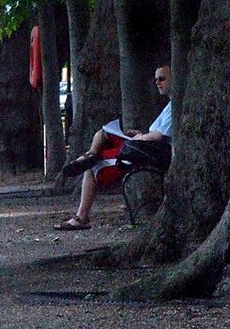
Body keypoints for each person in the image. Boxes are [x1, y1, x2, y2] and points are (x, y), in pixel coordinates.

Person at [54, 64, 172, 231]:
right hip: (144, 146)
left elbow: (158, 137)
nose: (158, 83)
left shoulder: (175, 106)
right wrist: (140, 135)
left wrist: (140, 137)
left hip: (148, 152)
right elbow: (157, 133)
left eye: (162, 78)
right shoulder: (170, 105)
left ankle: (81, 217)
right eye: (155, 79)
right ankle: (89, 155)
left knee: (93, 167)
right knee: (104, 133)